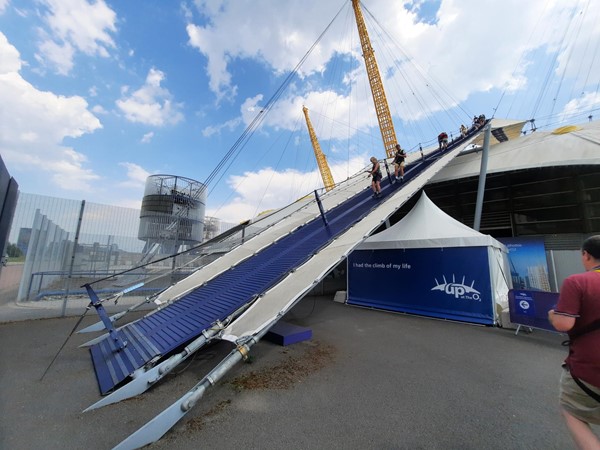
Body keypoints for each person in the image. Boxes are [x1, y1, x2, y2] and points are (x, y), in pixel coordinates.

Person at [548, 235, 600, 449]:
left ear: (586, 255)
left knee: (572, 411)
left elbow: (563, 324)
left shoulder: (578, 281)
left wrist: (552, 314)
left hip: (589, 368)